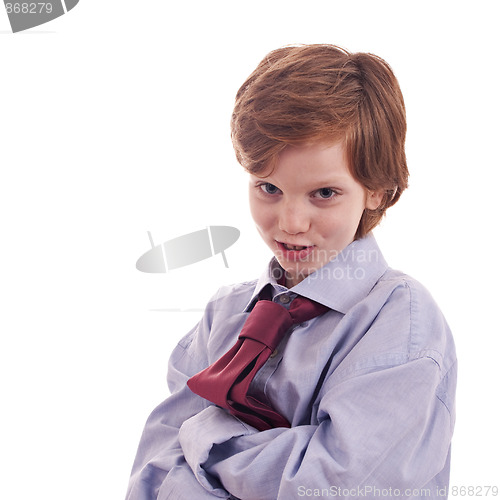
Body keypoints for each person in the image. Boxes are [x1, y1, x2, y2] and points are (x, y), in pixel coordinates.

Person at [125, 44, 457, 499]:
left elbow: (337, 484)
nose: (290, 223)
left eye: (323, 193)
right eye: (269, 188)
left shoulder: (400, 319)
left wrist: (207, 439)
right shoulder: (224, 315)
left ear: (377, 191)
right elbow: (154, 471)